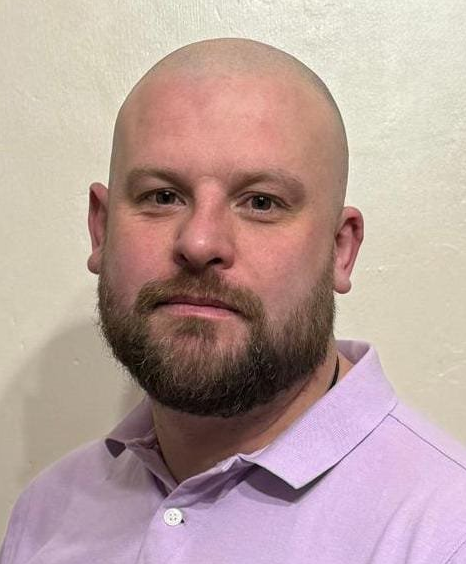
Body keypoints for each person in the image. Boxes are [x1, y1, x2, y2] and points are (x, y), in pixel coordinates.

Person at [2, 37, 466, 564]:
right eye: (162, 196)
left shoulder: (446, 535)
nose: (200, 243)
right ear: (101, 230)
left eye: (261, 202)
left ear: (340, 250)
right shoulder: (45, 514)